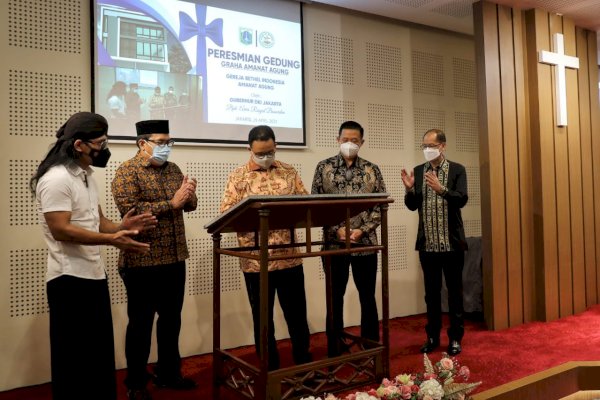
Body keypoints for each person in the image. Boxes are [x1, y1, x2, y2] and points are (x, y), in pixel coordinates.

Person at [31, 112, 156, 400]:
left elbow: (97, 222)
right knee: (73, 361)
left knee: (98, 356)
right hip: (68, 279)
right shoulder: (56, 179)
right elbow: (61, 229)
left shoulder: (86, 175)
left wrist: (123, 227)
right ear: (79, 145)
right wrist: (112, 240)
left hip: (93, 275)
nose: (104, 148)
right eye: (100, 142)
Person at [111, 120, 198, 400]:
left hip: (174, 257)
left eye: (169, 142)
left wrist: (190, 196)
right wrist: (171, 204)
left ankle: (168, 373)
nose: (166, 147)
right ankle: (136, 383)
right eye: (161, 142)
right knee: (141, 324)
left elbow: (188, 205)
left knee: (172, 320)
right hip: (142, 260)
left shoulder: (173, 170)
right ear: (142, 143)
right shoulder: (127, 171)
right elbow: (132, 211)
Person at [219, 125, 312, 370]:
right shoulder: (237, 177)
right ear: (249, 149)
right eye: (260, 153)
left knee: (297, 316)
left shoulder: (289, 172)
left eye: (269, 151)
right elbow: (226, 214)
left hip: (289, 257)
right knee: (263, 320)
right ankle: (269, 370)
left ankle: (303, 365)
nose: (265, 157)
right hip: (255, 261)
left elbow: (306, 203)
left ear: (275, 146)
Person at [311, 120, 386, 357]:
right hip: (334, 244)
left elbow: (380, 204)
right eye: (345, 140)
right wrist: (337, 230)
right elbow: (316, 204)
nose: (349, 144)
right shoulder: (323, 168)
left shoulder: (372, 169)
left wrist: (362, 230)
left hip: (365, 243)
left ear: (362, 142)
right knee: (335, 296)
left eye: (354, 140)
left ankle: (370, 345)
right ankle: (334, 345)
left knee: (367, 296)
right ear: (337, 140)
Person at [401, 128, 468, 356]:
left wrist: (442, 190)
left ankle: (456, 337)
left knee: (455, 293)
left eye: (431, 146)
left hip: (451, 244)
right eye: (424, 146)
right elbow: (412, 206)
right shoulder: (419, 171)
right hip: (428, 245)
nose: (428, 150)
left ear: (443, 146)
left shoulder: (457, 170)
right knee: (431, 294)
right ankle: (432, 336)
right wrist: (409, 190)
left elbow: (462, 199)